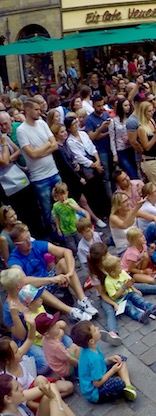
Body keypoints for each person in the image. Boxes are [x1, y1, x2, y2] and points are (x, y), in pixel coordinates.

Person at [7, 223, 96, 320]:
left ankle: (83, 300)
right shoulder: (14, 260)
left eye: (29, 237)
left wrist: (69, 273)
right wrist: (52, 279)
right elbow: (23, 281)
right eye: (25, 241)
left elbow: (66, 252)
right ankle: (71, 311)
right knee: (30, 288)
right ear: (16, 245)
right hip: (38, 289)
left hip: (49, 279)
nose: (29, 242)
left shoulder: (36, 245)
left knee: (64, 262)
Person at [16, 97, 61, 233]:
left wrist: (40, 150)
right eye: (36, 109)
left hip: (54, 171)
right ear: (27, 110)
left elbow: (55, 145)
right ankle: (52, 233)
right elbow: (32, 154)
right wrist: (47, 144)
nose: (39, 112)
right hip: (39, 177)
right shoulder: (21, 130)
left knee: (63, 204)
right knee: (47, 210)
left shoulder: (42, 123)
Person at [70, 320, 137, 403]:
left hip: (99, 373)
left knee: (120, 358)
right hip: (94, 392)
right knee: (118, 382)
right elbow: (97, 383)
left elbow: (100, 364)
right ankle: (122, 389)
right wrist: (113, 371)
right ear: (91, 341)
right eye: (95, 330)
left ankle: (128, 386)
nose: (98, 328)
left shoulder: (91, 348)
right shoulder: (94, 359)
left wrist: (109, 359)